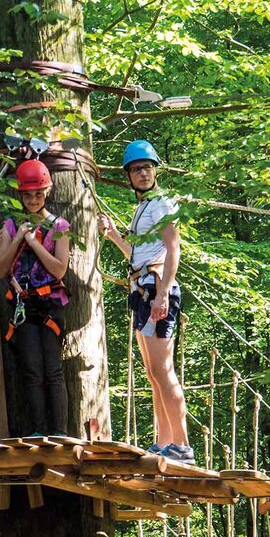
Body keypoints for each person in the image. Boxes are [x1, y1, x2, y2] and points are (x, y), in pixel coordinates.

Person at [98, 139, 192, 463]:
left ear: (155, 171)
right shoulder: (143, 208)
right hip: (143, 290)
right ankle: (165, 441)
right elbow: (137, 257)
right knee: (153, 372)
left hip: (156, 291)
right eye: (136, 169)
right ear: (128, 175)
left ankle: (182, 444)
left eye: (147, 168)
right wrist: (113, 235)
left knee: (164, 370)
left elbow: (173, 249)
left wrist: (163, 293)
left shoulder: (161, 203)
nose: (142, 173)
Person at [0, 159, 70, 436]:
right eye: (28, 195)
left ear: (47, 192)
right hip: (23, 305)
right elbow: (0, 269)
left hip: (49, 303)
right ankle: (38, 429)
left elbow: (59, 269)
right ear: (20, 195)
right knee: (32, 370)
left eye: (38, 194)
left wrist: (34, 243)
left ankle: (59, 430)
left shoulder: (60, 226)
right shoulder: (11, 226)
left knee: (52, 369)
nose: (34, 200)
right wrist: (18, 239)